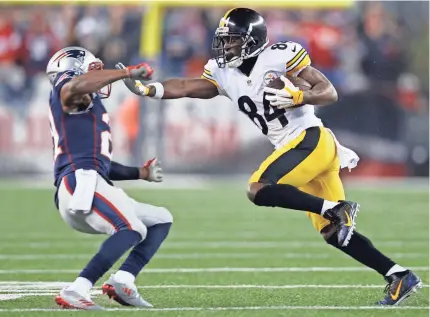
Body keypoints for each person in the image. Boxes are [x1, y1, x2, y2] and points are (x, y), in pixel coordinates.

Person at [117, 8, 421, 306]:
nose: (226, 46)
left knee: (258, 188)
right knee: (333, 233)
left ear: (251, 40)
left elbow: (329, 92)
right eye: (224, 40)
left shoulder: (280, 56)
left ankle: (337, 208)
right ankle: (399, 275)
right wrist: (148, 89)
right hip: (300, 148)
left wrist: (300, 95)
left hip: (309, 140)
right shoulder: (223, 72)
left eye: (233, 40)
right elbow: (185, 86)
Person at [46, 46, 173, 310]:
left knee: (160, 219)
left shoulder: (87, 106)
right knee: (132, 228)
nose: (100, 77)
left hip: (88, 180)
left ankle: (124, 280)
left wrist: (140, 173)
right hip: (80, 182)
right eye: (94, 71)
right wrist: (125, 72)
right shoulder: (68, 91)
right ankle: (77, 289)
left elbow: (100, 162)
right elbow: (72, 88)